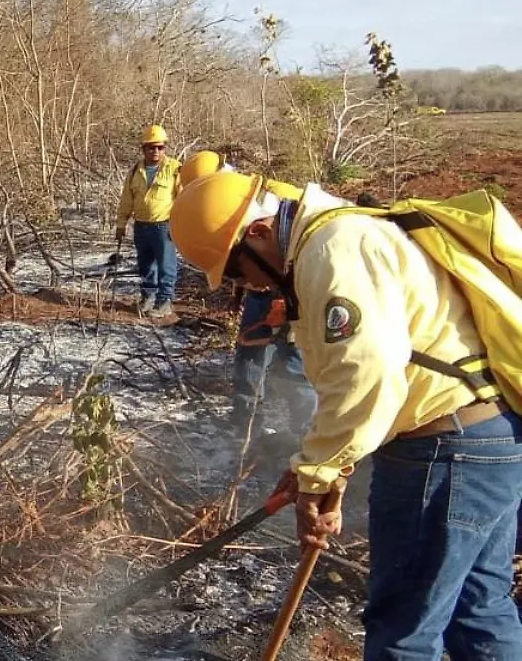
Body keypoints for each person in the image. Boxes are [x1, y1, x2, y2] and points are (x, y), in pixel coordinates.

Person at [170, 171, 522, 660]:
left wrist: (319, 473)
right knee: (478, 610)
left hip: (442, 452)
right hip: (486, 439)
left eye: (234, 270)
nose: (244, 285)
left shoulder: (333, 248)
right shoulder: (340, 236)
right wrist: (316, 467)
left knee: (403, 631)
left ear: (258, 232)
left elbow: (367, 373)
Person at [180, 151, 316, 448]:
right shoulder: (229, 200)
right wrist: (238, 292)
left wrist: (289, 303)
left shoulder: (276, 197)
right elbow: (238, 257)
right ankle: (247, 423)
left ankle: (308, 431)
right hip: (261, 293)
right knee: (250, 358)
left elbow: (290, 253)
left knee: (294, 360)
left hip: (289, 292)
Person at [116, 125, 181, 317]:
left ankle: (164, 301)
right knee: (145, 264)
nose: (156, 151)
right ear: (143, 148)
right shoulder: (136, 171)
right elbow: (126, 200)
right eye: (151, 147)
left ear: (165, 148)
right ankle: (148, 296)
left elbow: (184, 198)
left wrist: (181, 225)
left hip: (164, 225)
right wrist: (121, 224)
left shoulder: (175, 169)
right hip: (141, 226)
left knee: (166, 265)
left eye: (160, 147)